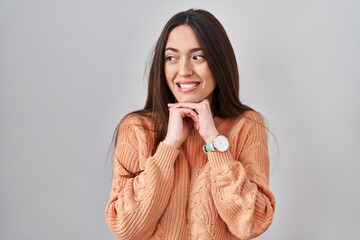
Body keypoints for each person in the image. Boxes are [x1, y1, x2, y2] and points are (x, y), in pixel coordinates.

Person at [105, 8, 275, 240]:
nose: (183, 71)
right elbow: (126, 226)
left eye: (198, 57)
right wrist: (169, 146)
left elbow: (252, 222)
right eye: (171, 57)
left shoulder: (246, 125)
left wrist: (214, 141)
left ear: (219, 63)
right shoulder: (136, 128)